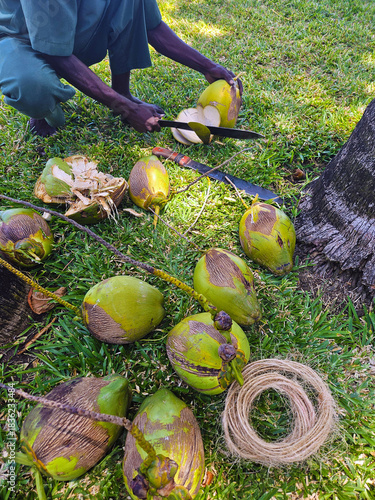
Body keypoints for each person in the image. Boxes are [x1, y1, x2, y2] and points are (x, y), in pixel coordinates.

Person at [0, 0, 241, 137]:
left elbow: (151, 25)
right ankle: (42, 111)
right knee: (31, 84)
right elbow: (56, 54)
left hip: (64, 30)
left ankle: (122, 89)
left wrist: (207, 66)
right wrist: (125, 109)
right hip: (15, 36)